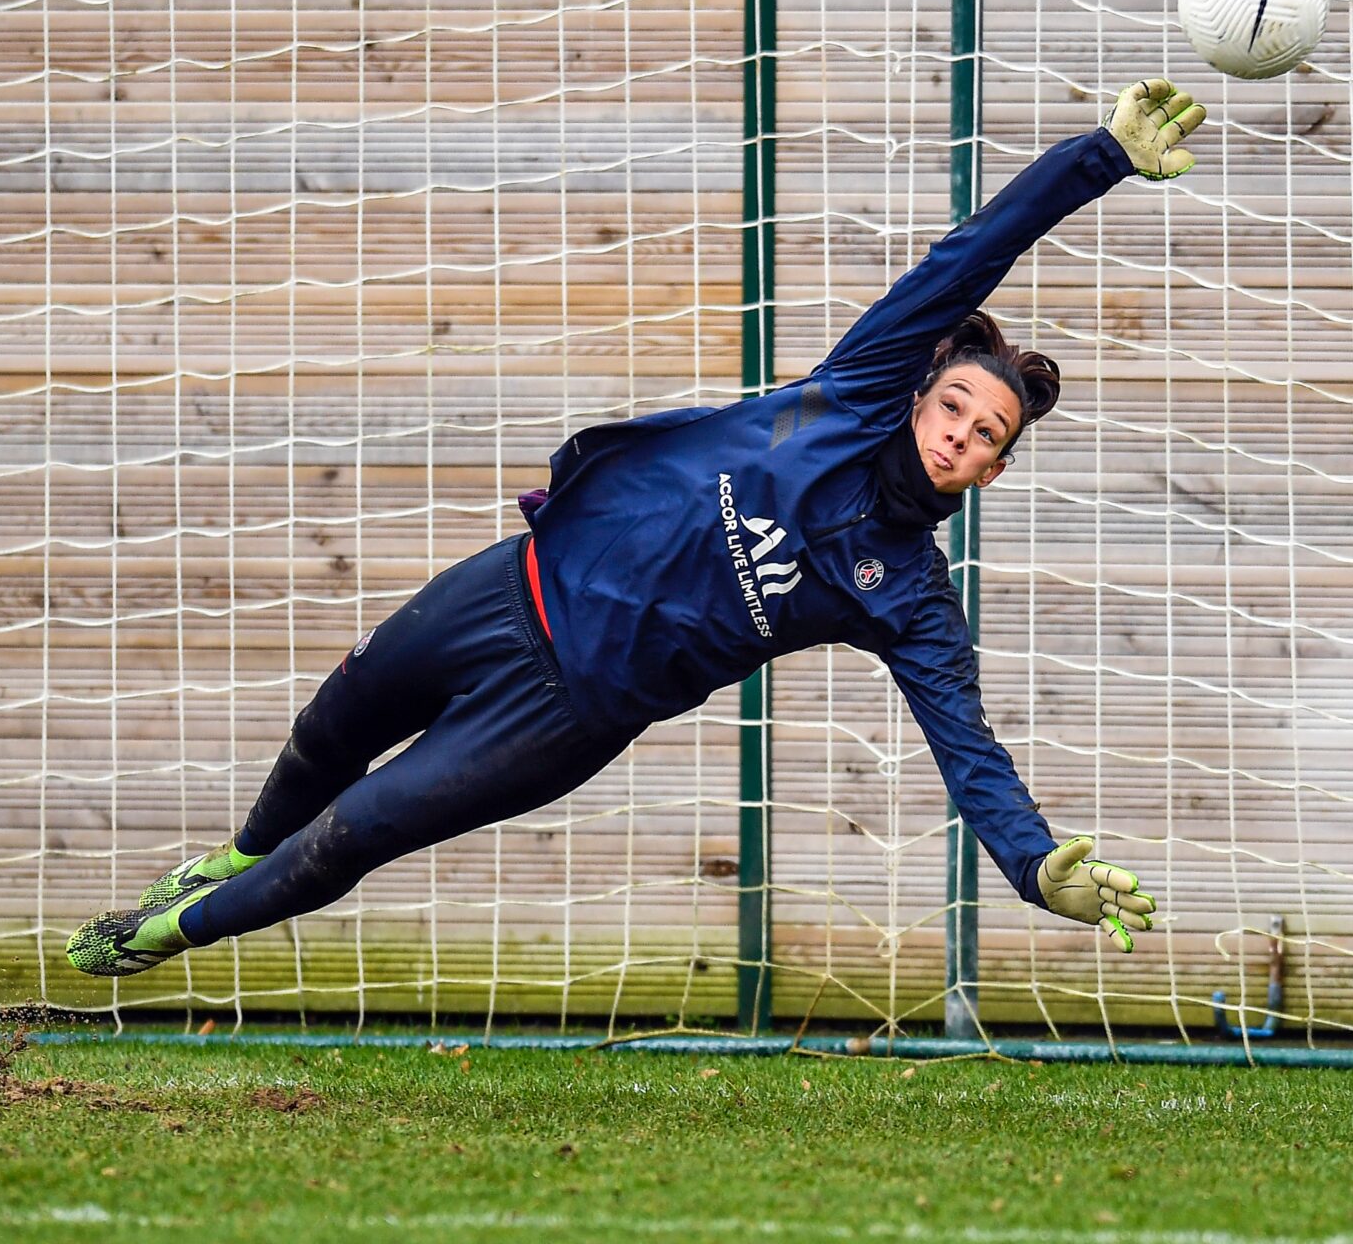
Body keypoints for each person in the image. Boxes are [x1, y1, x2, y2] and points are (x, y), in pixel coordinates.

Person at [66, 80, 1208, 978]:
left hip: (564, 713)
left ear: (995, 471)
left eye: (987, 433)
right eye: (955, 405)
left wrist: (1030, 866)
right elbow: (974, 251)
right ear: (920, 396)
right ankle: (230, 859)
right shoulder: (854, 390)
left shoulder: (906, 596)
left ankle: (166, 936)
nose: (961, 432)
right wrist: (1097, 158)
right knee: (330, 726)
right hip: (509, 589)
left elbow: (968, 747)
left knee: (353, 835)